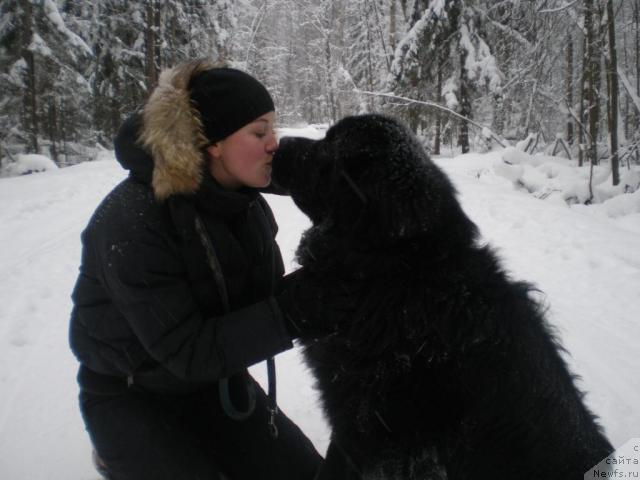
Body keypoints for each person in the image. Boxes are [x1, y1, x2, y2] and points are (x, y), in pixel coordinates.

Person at [69, 59, 322, 480]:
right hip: (131, 394)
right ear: (213, 144)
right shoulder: (132, 221)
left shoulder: (239, 198)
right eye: (259, 132)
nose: (273, 143)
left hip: (213, 382)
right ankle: (116, 451)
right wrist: (305, 306)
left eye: (273, 129)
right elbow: (187, 350)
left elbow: (262, 301)